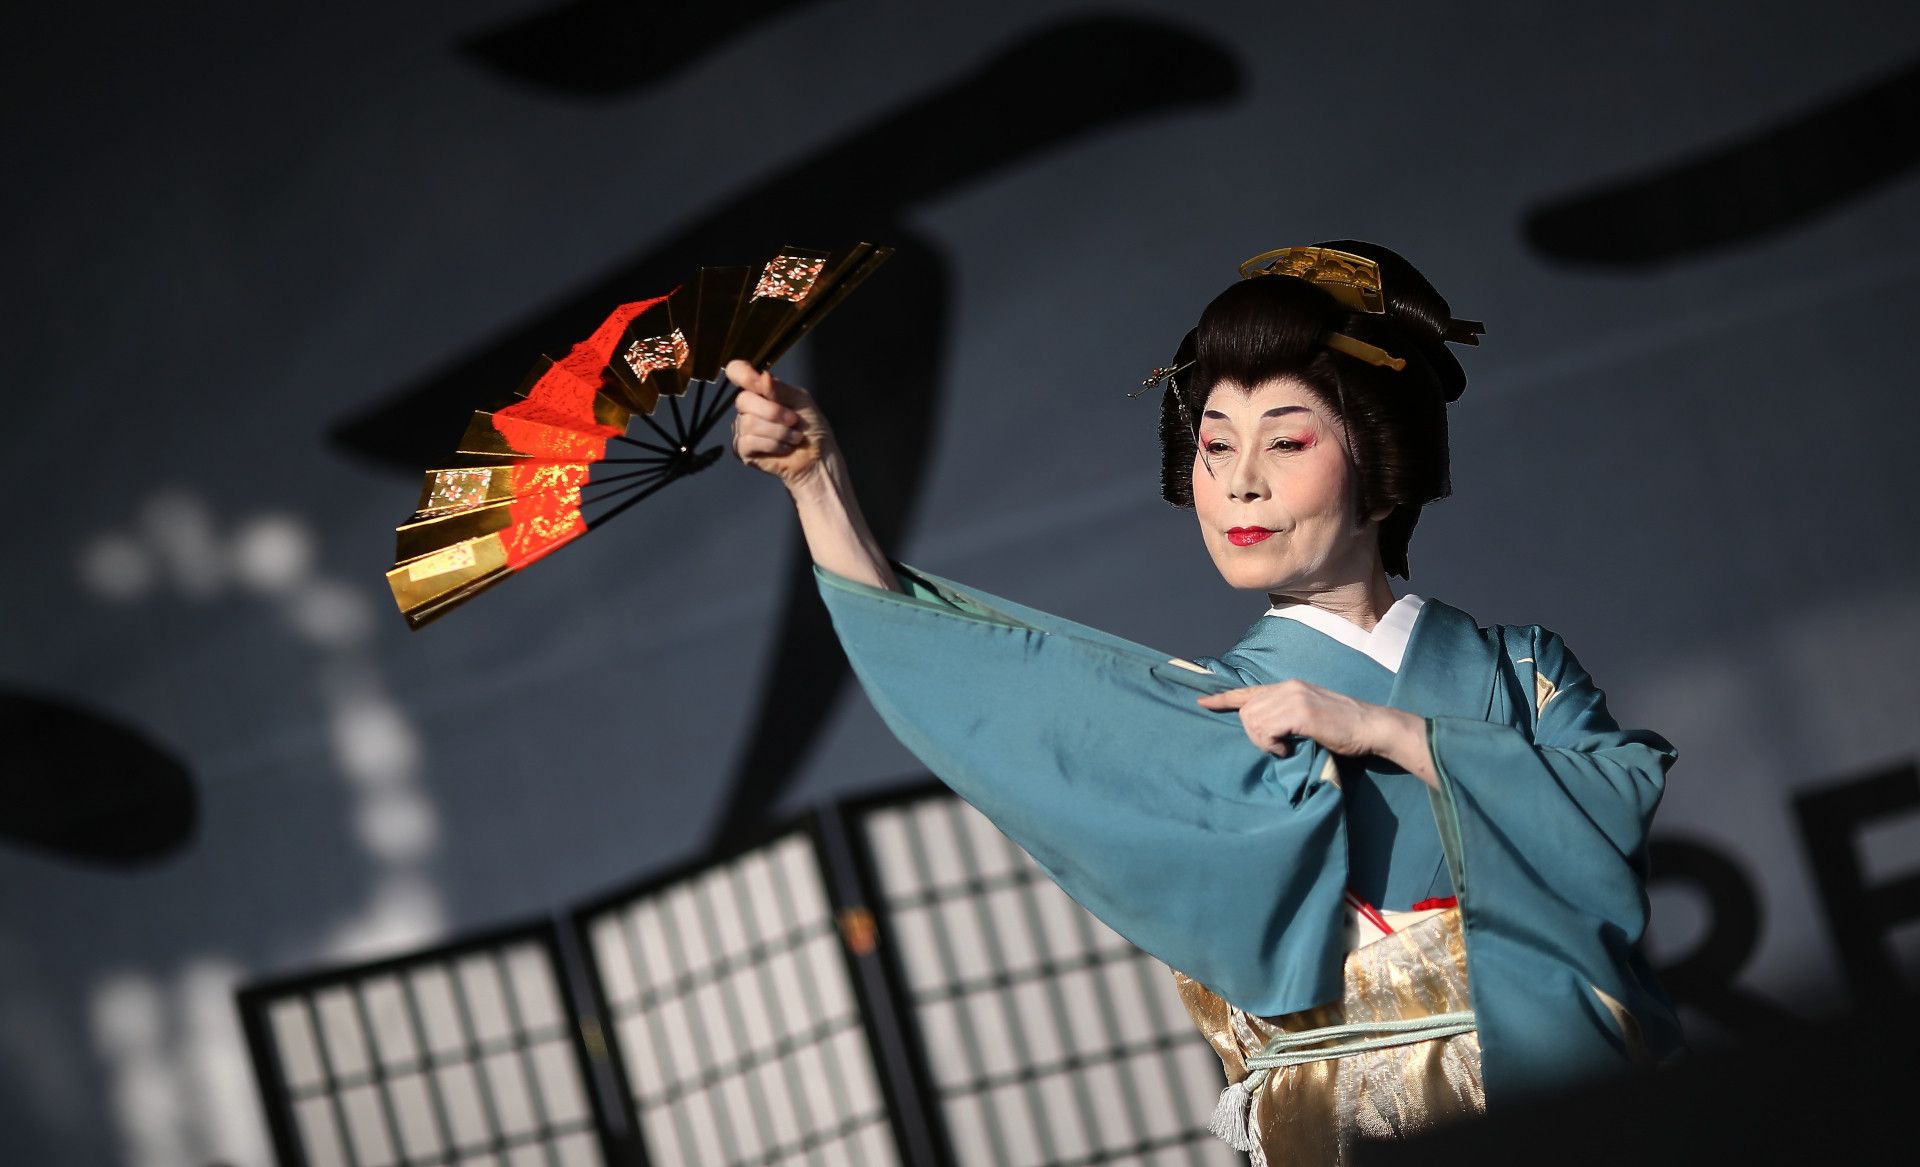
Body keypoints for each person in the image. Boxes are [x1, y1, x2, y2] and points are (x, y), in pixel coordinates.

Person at [728, 242, 1682, 1164]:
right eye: (1215, 444)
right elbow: (976, 679)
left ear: (1383, 465)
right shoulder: (1213, 715)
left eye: (1287, 440)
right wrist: (818, 483)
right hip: (1352, 1130)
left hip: (1569, 1101)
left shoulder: (1519, 670)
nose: (1239, 482)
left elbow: (1614, 806)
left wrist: (1386, 730)